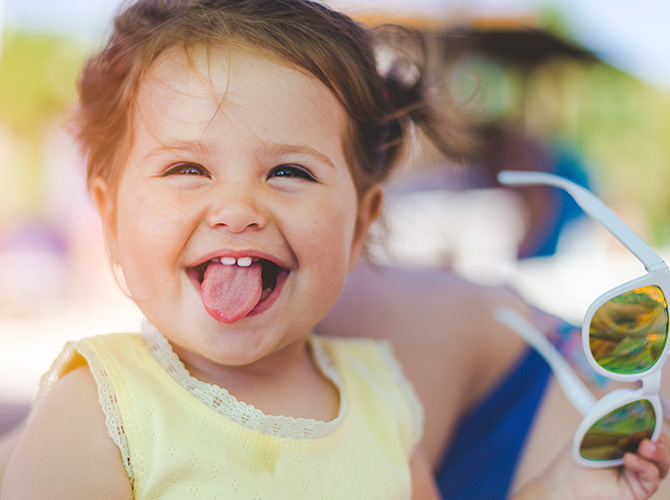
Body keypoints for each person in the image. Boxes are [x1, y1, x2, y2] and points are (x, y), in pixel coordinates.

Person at [1, 1, 669, 499]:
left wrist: (574, 484)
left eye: (289, 171)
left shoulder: (379, 394)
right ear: (112, 215)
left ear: (359, 227)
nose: (238, 207)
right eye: (187, 169)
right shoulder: (104, 408)